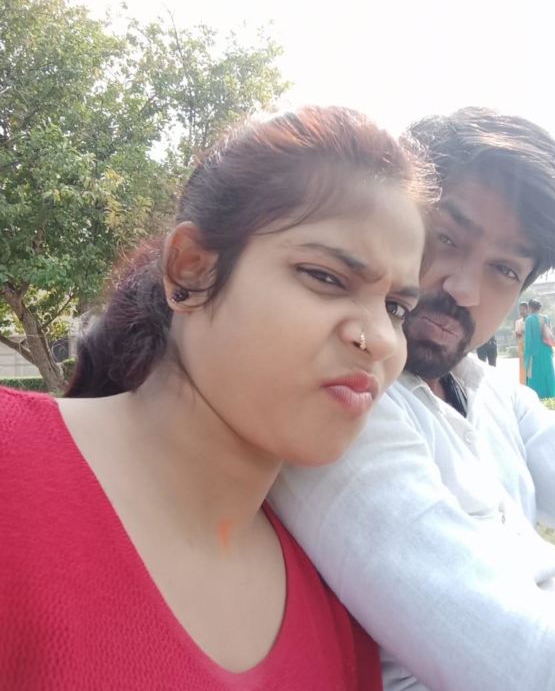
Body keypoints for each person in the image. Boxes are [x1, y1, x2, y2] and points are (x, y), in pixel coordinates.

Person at [0, 107, 433, 690]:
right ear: (191, 271)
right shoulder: (11, 463)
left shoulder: (338, 606)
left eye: (397, 308)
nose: (378, 338)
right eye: (326, 277)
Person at [270, 107, 555, 691]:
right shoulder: (347, 402)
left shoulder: (486, 390)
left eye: (504, 270)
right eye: (445, 238)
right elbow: (536, 673)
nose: (464, 288)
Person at [524, 297, 555, 398]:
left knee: (535, 374)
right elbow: (549, 334)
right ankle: (551, 394)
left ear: (530, 307)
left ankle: (538, 395)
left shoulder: (529, 319)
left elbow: (529, 339)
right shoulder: (546, 318)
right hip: (546, 349)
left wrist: (527, 355)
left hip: (535, 352)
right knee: (548, 372)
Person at [515, 300, 529, 383]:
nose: (521, 311)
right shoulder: (518, 322)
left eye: (523, 309)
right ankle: (524, 382)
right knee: (523, 366)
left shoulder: (530, 320)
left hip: (530, 346)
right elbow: (517, 336)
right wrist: (518, 334)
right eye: (520, 309)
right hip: (521, 347)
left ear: (528, 309)